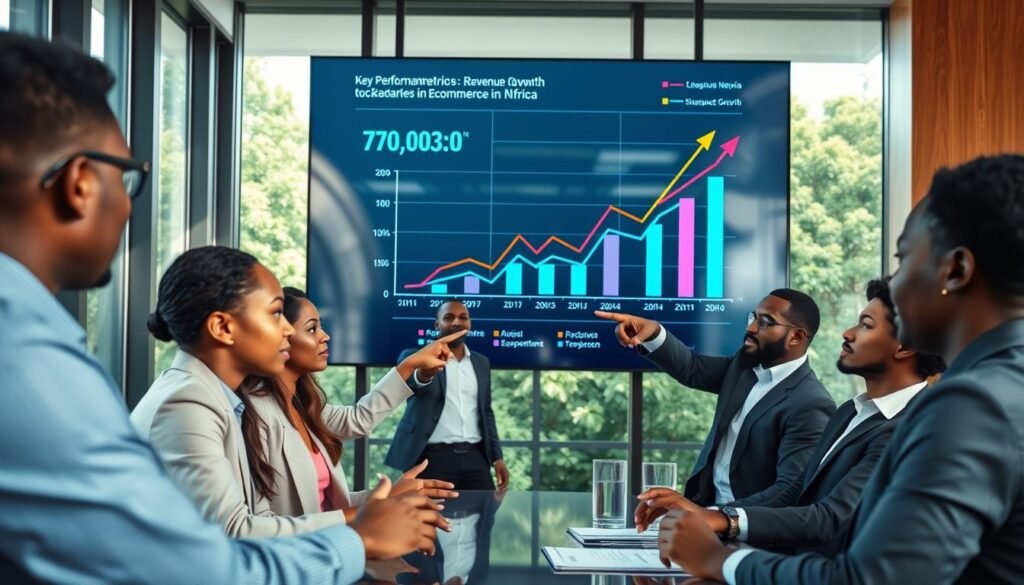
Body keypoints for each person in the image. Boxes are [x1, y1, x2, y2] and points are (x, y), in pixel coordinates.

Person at [0, 30, 439, 583]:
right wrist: (358, 536)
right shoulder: (31, 355)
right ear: (81, 184)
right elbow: (202, 560)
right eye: (127, 178)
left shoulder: (38, 339)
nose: (130, 208)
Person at [660, 154, 1024, 584]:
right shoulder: (999, 384)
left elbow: (874, 578)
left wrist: (721, 562)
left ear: (956, 269)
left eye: (903, 259)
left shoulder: (975, 402)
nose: (896, 282)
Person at [132, 247, 455, 538]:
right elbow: (236, 531)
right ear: (223, 328)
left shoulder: (220, 399)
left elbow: (253, 517)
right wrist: (371, 517)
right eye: (275, 314)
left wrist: (382, 503)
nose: (285, 330)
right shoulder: (188, 403)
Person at [635, 277, 946, 556]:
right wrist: (704, 515)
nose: (847, 333)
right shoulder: (849, 413)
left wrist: (720, 520)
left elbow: (826, 517)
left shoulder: (907, 429)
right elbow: (800, 490)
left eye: (865, 324)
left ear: (904, 346)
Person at [596, 289, 835, 507]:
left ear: (796, 337)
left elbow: (788, 491)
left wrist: (712, 516)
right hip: (705, 518)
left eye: (765, 323)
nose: (751, 328)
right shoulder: (744, 366)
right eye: (753, 318)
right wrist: (652, 333)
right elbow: (693, 368)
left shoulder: (811, 404)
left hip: (752, 535)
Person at [241, 286, 461, 519]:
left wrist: (389, 495)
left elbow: (358, 420)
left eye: (321, 327)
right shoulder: (256, 415)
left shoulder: (304, 406)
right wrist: (374, 508)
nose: (325, 336)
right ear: (282, 337)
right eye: (312, 329)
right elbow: (260, 523)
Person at [386, 299, 509, 490]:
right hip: (431, 458)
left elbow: (486, 412)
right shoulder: (415, 357)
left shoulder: (481, 363)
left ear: (470, 323)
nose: (456, 323)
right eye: (448, 317)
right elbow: (409, 385)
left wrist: (497, 457)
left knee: (485, 518)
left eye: (463, 317)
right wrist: (424, 374)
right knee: (429, 518)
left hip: (476, 458)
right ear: (437, 325)